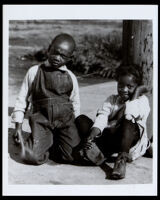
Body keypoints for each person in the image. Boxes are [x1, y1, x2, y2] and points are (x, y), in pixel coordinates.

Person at [11, 33, 81, 165]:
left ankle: (53, 141)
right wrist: (18, 127)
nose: (57, 57)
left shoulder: (71, 77)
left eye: (63, 56)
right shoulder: (34, 72)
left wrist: (76, 128)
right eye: (55, 52)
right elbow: (21, 100)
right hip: (42, 121)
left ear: (70, 58)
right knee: (32, 157)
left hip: (65, 122)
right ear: (49, 49)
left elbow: (75, 103)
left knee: (73, 157)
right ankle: (41, 140)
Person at [75, 64, 152, 179]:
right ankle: (96, 150)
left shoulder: (142, 101)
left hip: (128, 141)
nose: (124, 89)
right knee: (81, 119)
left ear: (137, 87)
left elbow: (130, 113)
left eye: (130, 86)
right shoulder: (112, 99)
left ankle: (121, 161)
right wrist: (91, 136)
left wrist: (136, 94)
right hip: (111, 137)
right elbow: (101, 118)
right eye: (120, 85)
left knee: (128, 120)